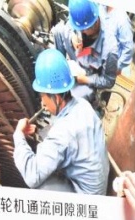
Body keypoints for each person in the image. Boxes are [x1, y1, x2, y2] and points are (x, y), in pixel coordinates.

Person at [14, 48, 109, 195]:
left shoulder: (62, 132)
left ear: (57, 98)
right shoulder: (83, 105)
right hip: (98, 187)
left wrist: (18, 136)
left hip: (87, 199)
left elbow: (32, 176)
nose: (42, 103)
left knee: (41, 186)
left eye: (42, 96)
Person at [51, 0, 129, 101]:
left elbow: (109, 81)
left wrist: (84, 79)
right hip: (80, 56)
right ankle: (60, 69)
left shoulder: (110, 48)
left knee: (77, 97)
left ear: (95, 23)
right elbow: (71, 23)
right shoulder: (89, 9)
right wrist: (73, 34)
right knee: (58, 31)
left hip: (91, 73)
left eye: (83, 29)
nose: (81, 31)